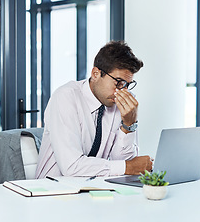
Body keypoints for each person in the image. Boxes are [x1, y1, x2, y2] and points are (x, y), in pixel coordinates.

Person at [35, 41, 153, 179]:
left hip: (93, 189)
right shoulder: (66, 97)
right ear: (96, 74)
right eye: (118, 82)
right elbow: (71, 167)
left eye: (127, 85)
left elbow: (121, 163)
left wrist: (128, 125)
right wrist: (128, 166)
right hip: (53, 191)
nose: (123, 91)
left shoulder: (118, 102)